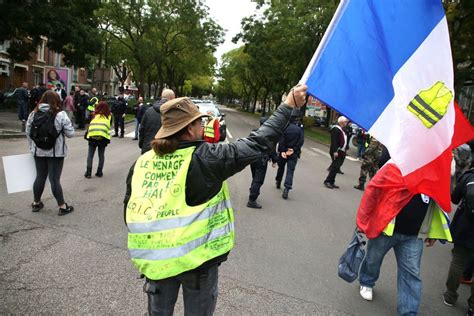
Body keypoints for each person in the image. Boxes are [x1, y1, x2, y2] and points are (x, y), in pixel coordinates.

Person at [124, 85, 307, 315]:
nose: (203, 126)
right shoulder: (206, 158)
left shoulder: (142, 162)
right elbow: (257, 143)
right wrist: (288, 105)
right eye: (199, 123)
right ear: (189, 129)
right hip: (198, 264)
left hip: (157, 263)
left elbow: (129, 209)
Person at [25, 91, 75, 216]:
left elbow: (28, 132)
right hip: (56, 153)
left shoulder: (33, 113)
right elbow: (71, 134)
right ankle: (62, 207)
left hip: (38, 151)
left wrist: (32, 147)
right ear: (57, 100)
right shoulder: (61, 114)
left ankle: (36, 203)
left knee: (40, 177)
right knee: (54, 179)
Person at [442, 164, 474, 316]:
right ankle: (472, 307)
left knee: (458, 260)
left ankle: (450, 295)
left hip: (465, 227)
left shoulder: (469, 176)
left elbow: (454, 199)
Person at [247, 116, 278, 208]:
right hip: (262, 160)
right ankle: (252, 200)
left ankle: (253, 189)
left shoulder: (254, 132)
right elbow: (272, 149)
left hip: (253, 158)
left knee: (254, 176)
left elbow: (248, 144)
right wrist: (275, 160)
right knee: (258, 179)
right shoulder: (270, 135)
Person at [275, 114, 304, 199]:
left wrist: (283, 151)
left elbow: (281, 141)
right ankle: (287, 188)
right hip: (293, 153)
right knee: (290, 171)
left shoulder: (285, 128)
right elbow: (301, 141)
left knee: (281, 167)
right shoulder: (299, 130)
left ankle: (278, 181)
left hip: (284, 152)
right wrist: (293, 149)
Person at [138, 88, 175, 153]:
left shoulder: (148, 111)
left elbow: (142, 130)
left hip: (148, 148)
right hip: (165, 150)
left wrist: (142, 145)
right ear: (171, 98)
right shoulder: (174, 113)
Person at [84, 101, 112, 178]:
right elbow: (109, 125)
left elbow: (88, 123)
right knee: (101, 155)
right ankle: (99, 172)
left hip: (92, 136)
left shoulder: (93, 115)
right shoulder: (109, 116)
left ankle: (88, 172)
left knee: (90, 155)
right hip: (103, 137)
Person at [324, 116, 349, 189]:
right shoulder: (335, 129)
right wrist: (335, 151)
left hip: (341, 151)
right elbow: (334, 141)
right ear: (341, 122)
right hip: (337, 151)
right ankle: (328, 181)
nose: (346, 123)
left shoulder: (342, 129)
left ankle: (332, 181)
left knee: (337, 167)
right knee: (335, 167)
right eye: (345, 122)